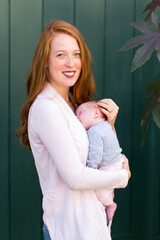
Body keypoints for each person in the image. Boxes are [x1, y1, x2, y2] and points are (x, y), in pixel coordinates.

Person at [16, 20, 131, 240]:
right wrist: (121, 177)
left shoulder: (74, 103)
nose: (71, 63)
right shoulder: (46, 108)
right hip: (68, 230)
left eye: (76, 54)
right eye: (60, 55)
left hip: (91, 225)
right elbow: (75, 177)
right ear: (45, 62)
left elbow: (97, 156)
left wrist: (108, 126)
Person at [76, 101, 126, 224]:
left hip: (110, 166)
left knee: (101, 195)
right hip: (117, 162)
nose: (77, 117)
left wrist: (91, 169)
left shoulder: (94, 131)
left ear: (96, 113)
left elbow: (96, 154)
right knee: (107, 189)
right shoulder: (105, 126)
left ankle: (110, 205)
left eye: (80, 113)